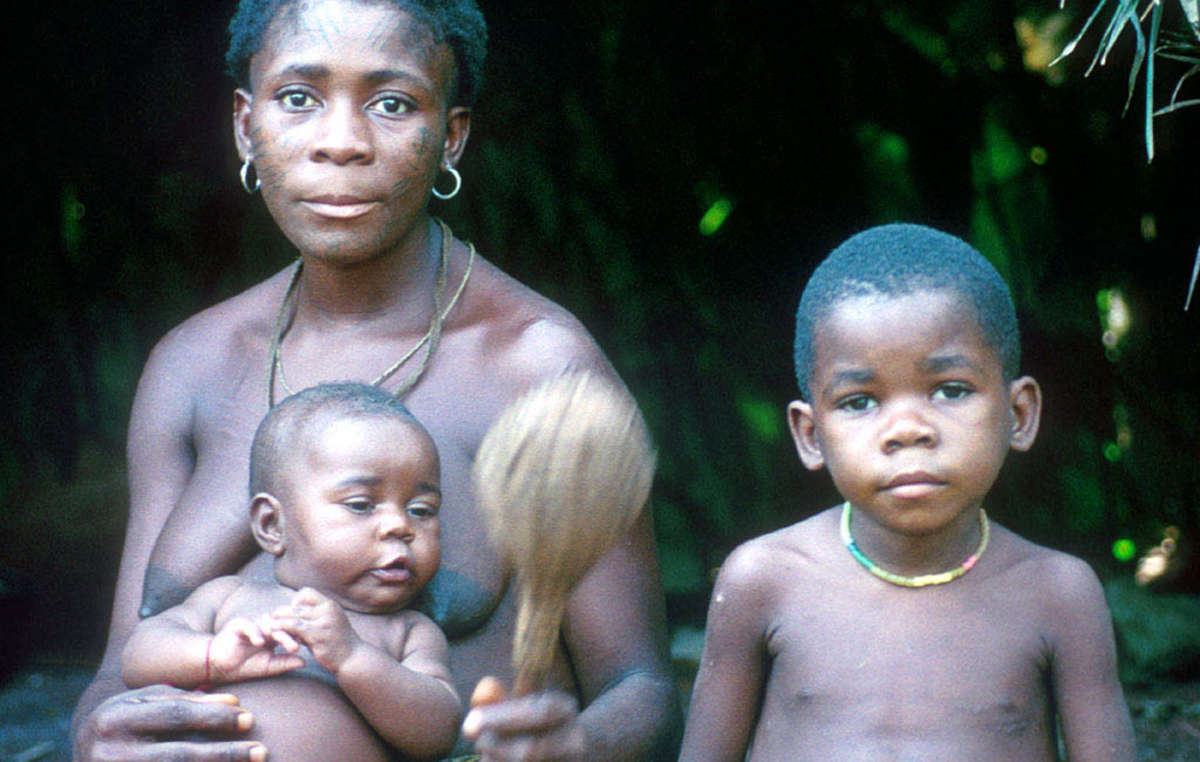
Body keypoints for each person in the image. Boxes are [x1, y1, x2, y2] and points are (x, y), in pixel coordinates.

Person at [70, 0, 679, 758]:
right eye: (299, 98)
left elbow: (644, 691)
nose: (341, 143)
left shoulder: (537, 366)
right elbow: (112, 676)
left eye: (392, 104)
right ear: (243, 124)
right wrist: (96, 734)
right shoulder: (192, 365)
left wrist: (573, 747)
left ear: (451, 137)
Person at [679, 224, 1135, 761]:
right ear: (810, 435)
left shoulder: (1058, 594)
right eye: (859, 401)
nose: (907, 429)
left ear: (1018, 414)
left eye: (951, 390)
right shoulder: (763, 578)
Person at [120, 383, 461, 761]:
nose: (400, 525)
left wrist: (352, 657)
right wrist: (212, 656)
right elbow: (137, 654)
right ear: (272, 525)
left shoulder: (408, 632)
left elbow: (438, 732)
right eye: (362, 504)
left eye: (422, 510)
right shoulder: (230, 597)